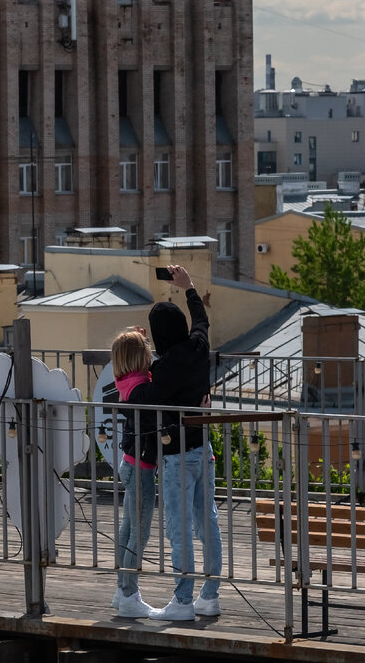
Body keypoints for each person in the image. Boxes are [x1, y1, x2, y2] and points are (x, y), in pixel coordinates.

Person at [147, 264, 222, 621]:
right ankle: (210, 596)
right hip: (202, 449)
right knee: (207, 522)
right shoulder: (198, 348)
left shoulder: (160, 372)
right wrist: (188, 287)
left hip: (175, 456)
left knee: (179, 530)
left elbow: (143, 403)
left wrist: (138, 354)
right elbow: (201, 322)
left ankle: (182, 602)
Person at [109, 327, 158, 618]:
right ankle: (129, 593)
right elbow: (160, 374)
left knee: (127, 531)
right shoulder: (143, 388)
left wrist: (136, 338)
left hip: (129, 464)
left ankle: (121, 589)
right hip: (141, 468)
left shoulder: (125, 381)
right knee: (139, 534)